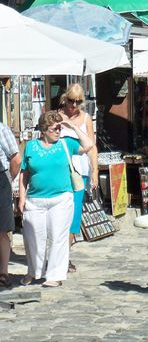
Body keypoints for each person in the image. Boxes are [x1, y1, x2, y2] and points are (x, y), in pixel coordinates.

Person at [18, 110, 94, 287]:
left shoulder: (66, 143)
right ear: (44, 130)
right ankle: (34, 271)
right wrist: (22, 198)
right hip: (35, 200)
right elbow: (24, 173)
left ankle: (55, 275)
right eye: (55, 129)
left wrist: (73, 126)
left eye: (60, 128)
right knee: (33, 237)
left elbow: (88, 144)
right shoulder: (31, 146)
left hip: (61, 198)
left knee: (58, 237)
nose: (59, 131)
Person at [59, 83, 98, 273]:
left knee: (73, 215)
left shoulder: (86, 119)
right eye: (70, 100)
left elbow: (92, 146)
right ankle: (59, 255)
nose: (73, 105)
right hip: (60, 171)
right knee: (59, 214)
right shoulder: (56, 116)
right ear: (64, 98)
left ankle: (65, 257)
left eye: (78, 101)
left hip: (79, 172)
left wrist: (95, 171)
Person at [0, 121, 21, 288]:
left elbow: (16, 159)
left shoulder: (1, 128)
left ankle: (3, 272)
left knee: (1, 228)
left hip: (1, 179)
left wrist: (8, 180)